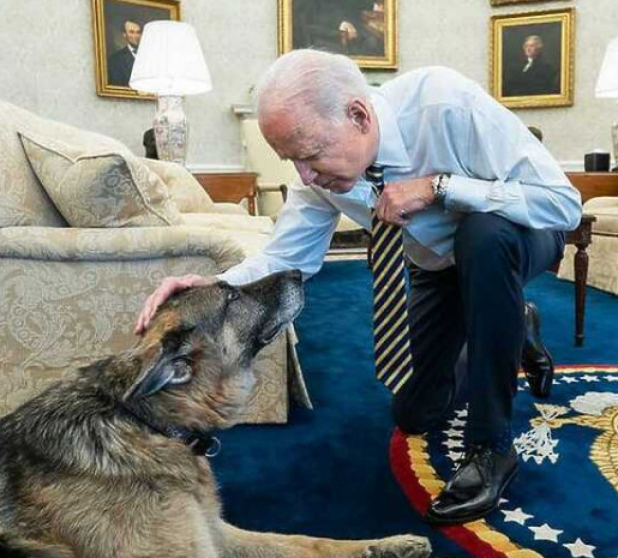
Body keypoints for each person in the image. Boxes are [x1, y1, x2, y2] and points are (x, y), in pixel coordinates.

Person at [135, 50, 581, 525]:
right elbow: (289, 259)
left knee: (483, 236)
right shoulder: (319, 175)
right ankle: (516, 327)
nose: (304, 176)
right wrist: (214, 285)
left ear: (358, 115)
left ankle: (490, 447)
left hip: (519, 235)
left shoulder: (447, 105)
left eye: (308, 156)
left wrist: (441, 186)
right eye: (291, 161)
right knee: (415, 413)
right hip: (439, 267)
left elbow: (563, 206)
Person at [108, 20, 142, 87]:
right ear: (124, 35)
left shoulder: (150, 56)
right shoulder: (116, 59)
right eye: (131, 32)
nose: (136, 36)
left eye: (138, 32)